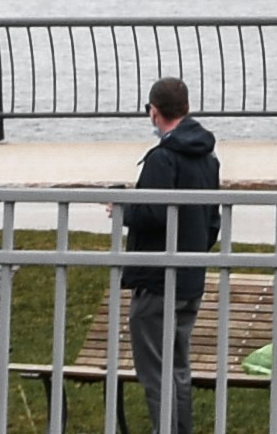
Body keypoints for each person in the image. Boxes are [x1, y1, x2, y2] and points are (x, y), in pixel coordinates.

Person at [116, 77, 224, 434]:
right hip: (190, 279)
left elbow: (152, 213)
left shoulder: (162, 158)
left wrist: (123, 208)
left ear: (153, 111)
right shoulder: (208, 158)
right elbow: (212, 223)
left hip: (157, 279)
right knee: (178, 369)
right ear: (187, 108)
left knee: (155, 373)